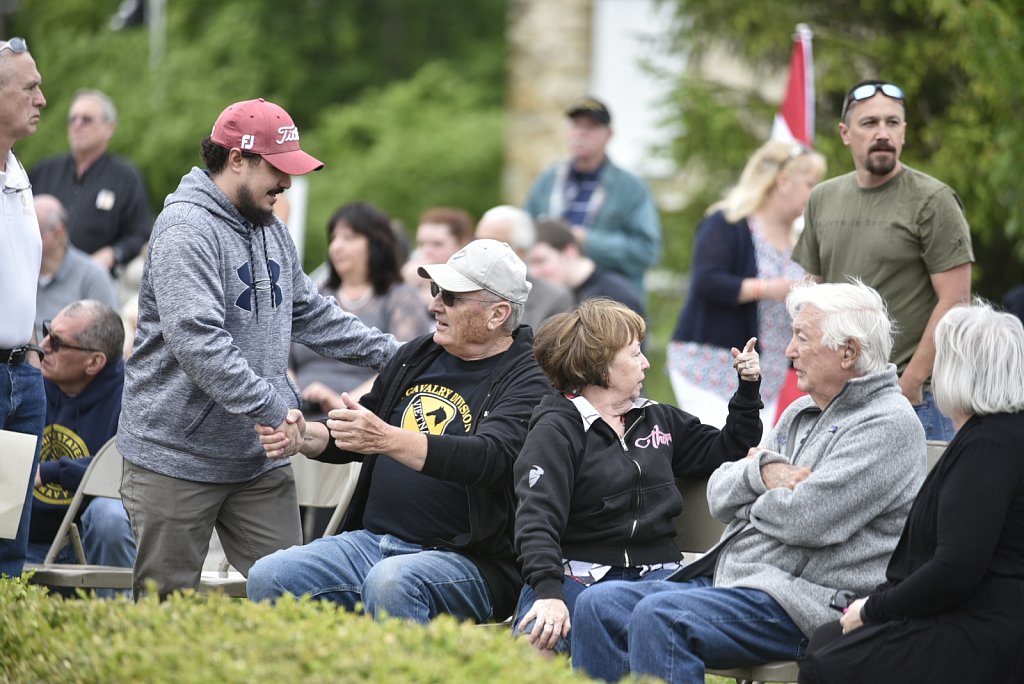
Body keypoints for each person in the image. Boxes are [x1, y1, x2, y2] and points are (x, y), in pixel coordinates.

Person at [570, 279, 926, 684]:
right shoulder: (801, 412)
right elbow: (720, 494)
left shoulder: (887, 425)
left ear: (848, 352)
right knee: (597, 604)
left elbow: (806, 519)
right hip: (743, 578)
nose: (789, 351)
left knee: (661, 618)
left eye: (801, 339)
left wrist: (755, 489)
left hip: (805, 601)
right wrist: (765, 474)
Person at [117, 98, 399, 599]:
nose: (287, 183)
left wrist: (398, 354)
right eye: (278, 169)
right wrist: (277, 408)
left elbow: (308, 311)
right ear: (238, 160)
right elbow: (198, 341)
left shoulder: (270, 228)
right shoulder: (186, 229)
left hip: (257, 459)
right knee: (165, 615)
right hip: (176, 458)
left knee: (299, 598)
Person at [247, 239, 554, 626]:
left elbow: (491, 458)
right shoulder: (418, 354)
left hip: (470, 561)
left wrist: (388, 438)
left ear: (498, 314)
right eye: (435, 290)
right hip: (372, 543)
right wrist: (308, 436)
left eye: (452, 297)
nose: (434, 305)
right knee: (270, 576)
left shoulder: (530, 376)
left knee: (393, 582)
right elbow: (364, 429)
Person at [513, 298, 763, 655]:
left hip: (656, 576)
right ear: (600, 365)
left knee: (647, 628)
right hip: (575, 576)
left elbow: (730, 448)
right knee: (536, 644)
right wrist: (549, 594)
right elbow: (536, 519)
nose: (646, 362)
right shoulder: (557, 429)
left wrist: (748, 387)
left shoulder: (658, 419)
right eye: (634, 354)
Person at [799, 301, 1024, 683]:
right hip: (975, 614)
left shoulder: (990, 446)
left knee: (830, 662)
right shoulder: (996, 435)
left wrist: (874, 609)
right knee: (827, 638)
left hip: (985, 629)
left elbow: (955, 569)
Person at [793, 80, 974, 441]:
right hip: (840, 397)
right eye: (870, 123)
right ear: (845, 133)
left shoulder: (933, 200)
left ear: (904, 131)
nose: (883, 133)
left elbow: (956, 301)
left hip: (914, 399)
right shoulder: (823, 198)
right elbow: (810, 294)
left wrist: (910, 384)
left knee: (921, 499)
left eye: (893, 123)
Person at [669, 140, 826, 432]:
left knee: (754, 456)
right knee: (722, 453)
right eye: (810, 184)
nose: (816, 193)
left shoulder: (802, 239)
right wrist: (766, 289)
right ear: (783, 182)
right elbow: (707, 282)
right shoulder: (728, 222)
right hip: (712, 366)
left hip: (771, 375)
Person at [27, 301, 133, 594]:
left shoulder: (133, 396)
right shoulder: (28, 384)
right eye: (46, 331)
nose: (43, 345)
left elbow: (129, 465)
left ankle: (119, 625)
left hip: (89, 545)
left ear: (94, 362)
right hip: (27, 543)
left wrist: (50, 472)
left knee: (109, 514)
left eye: (57, 342)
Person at [292, 201, 432, 417]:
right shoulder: (313, 294)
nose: (336, 246)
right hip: (296, 414)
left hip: (362, 417)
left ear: (376, 243)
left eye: (349, 237)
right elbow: (279, 359)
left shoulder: (400, 297)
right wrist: (291, 398)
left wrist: (342, 402)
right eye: (333, 238)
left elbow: (406, 363)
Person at [524, 96, 661, 298]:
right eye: (576, 125)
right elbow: (523, 234)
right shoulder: (548, 180)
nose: (582, 132)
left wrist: (585, 240)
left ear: (609, 134)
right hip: (550, 297)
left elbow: (646, 252)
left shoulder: (632, 188)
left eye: (592, 126)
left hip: (608, 302)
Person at [0, 36, 47, 579]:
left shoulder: (18, 171)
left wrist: (32, 363)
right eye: (30, 88)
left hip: (22, 378)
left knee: (9, 541)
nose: (41, 99)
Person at [29, 89, 152, 276]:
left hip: (97, 283)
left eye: (86, 119)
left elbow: (141, 232)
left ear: (108, 128)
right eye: (72, 119)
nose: (77, 125)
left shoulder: (125, 177)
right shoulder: (44, 171)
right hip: (42, 278)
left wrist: (114, 253)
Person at [475, 205, 574, 331]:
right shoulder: (456, 289)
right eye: (477, 241)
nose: (480, 250)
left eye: (492, 243)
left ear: (520, 252)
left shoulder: (553, 299)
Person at [35, 194, 119, 341]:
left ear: (58, 234)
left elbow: (107, 341)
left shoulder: (93, 277)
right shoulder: (16, 272)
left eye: (35, 232)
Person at [528, 219, 645, 317]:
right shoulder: (553, 295)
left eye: (540, 261)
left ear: (570, 252)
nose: (533, 272)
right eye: (528, 263)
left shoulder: (616, 296)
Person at [401, 207, 475, 310]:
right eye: (422, 244)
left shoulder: (473, 281)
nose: (427, 251)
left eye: (437, 244)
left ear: (462, 243)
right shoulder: (410, 275)